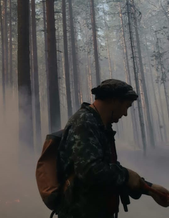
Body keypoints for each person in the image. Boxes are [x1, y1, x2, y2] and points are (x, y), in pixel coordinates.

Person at [56, 79, 169, 218]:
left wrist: (149, 188)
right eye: (127, 106)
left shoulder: (100, 126)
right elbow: (90, 171)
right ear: (115, 101)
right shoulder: (84, 123)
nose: (126, 114)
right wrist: (126, 175)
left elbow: (108, 171)